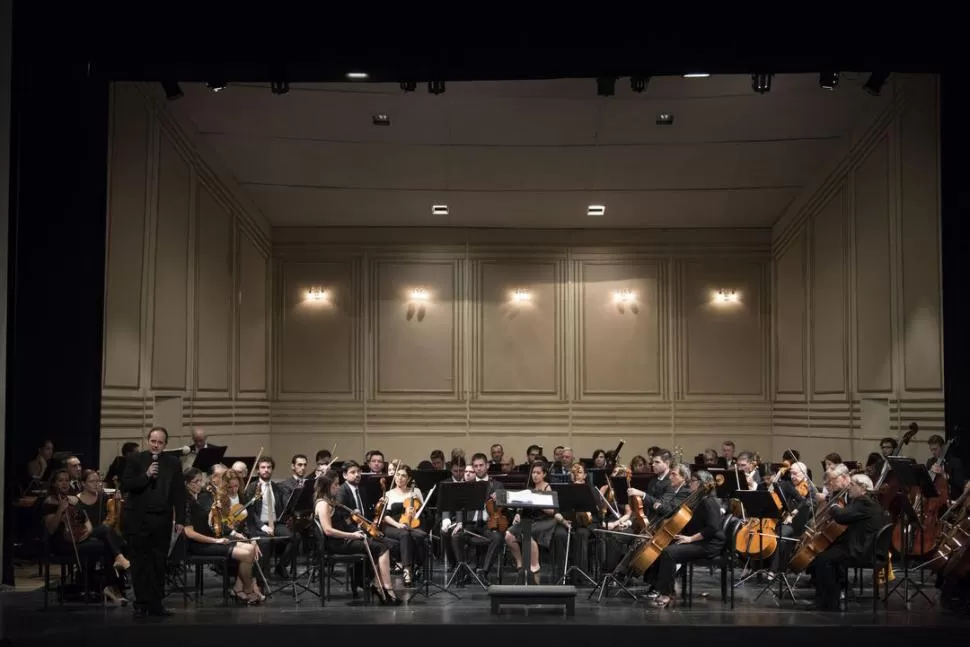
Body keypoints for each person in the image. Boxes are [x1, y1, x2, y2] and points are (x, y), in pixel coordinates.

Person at [120, 427, 186, 618]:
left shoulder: (173, 463)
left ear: (165, 444)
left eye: (160, 442)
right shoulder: (135, 460)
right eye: (153, 441)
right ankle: (140, 604)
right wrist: (147, 475)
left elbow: (178, 492)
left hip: (161, 519)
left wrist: (180, 518)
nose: (156, 445)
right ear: (147, 441)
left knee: (158, 562)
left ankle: (156, 604)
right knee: (140, 562)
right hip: (138, 519)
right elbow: (127, 485)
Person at [645, 470, 724, 609]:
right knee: (664, 546)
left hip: (709, 544)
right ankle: (658, 587)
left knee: (669, 552)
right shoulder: (698, 500)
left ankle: (666, 593)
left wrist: (690, 539)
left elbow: (712, 528)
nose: (689, 483)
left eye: (692, 480)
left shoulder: (709, 502)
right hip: (700, 541)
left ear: (700, 484)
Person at [810, 473, 886, 610]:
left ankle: (828, 603)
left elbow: (842, 516)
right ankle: (829, 599)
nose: (849, 487)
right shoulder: (868, 502)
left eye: (852, 485)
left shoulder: (864, 502)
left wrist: (832, 506)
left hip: (862, 551)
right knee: (828, 553)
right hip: (864, 547)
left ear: (862, 488)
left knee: (823, 559)